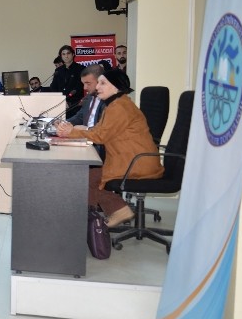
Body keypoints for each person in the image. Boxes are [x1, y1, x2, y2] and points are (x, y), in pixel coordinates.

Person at [56, 70, 163, 227]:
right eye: (98, 82)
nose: (97, 87)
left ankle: (115, 212)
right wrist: (72, 132)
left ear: (117, 87)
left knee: (81, 179)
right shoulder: (116, 104)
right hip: (131, 160)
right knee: (86, 177)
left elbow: (100, 136)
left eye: (103, 83)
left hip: (135, 163)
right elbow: (98, 130)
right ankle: (92, 223)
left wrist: (71, 132)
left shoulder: (119, 107)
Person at [49, 45, 85, 115]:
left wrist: (68, 102)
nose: (66, 56)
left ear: (73, 54)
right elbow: (53, 87)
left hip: (75, 105)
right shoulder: (58, 70)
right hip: (60, 105)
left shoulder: (81, 69)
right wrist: (60, 100)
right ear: (61, 56)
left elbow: (80, 87)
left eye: (68, 53)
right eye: (63, 54)